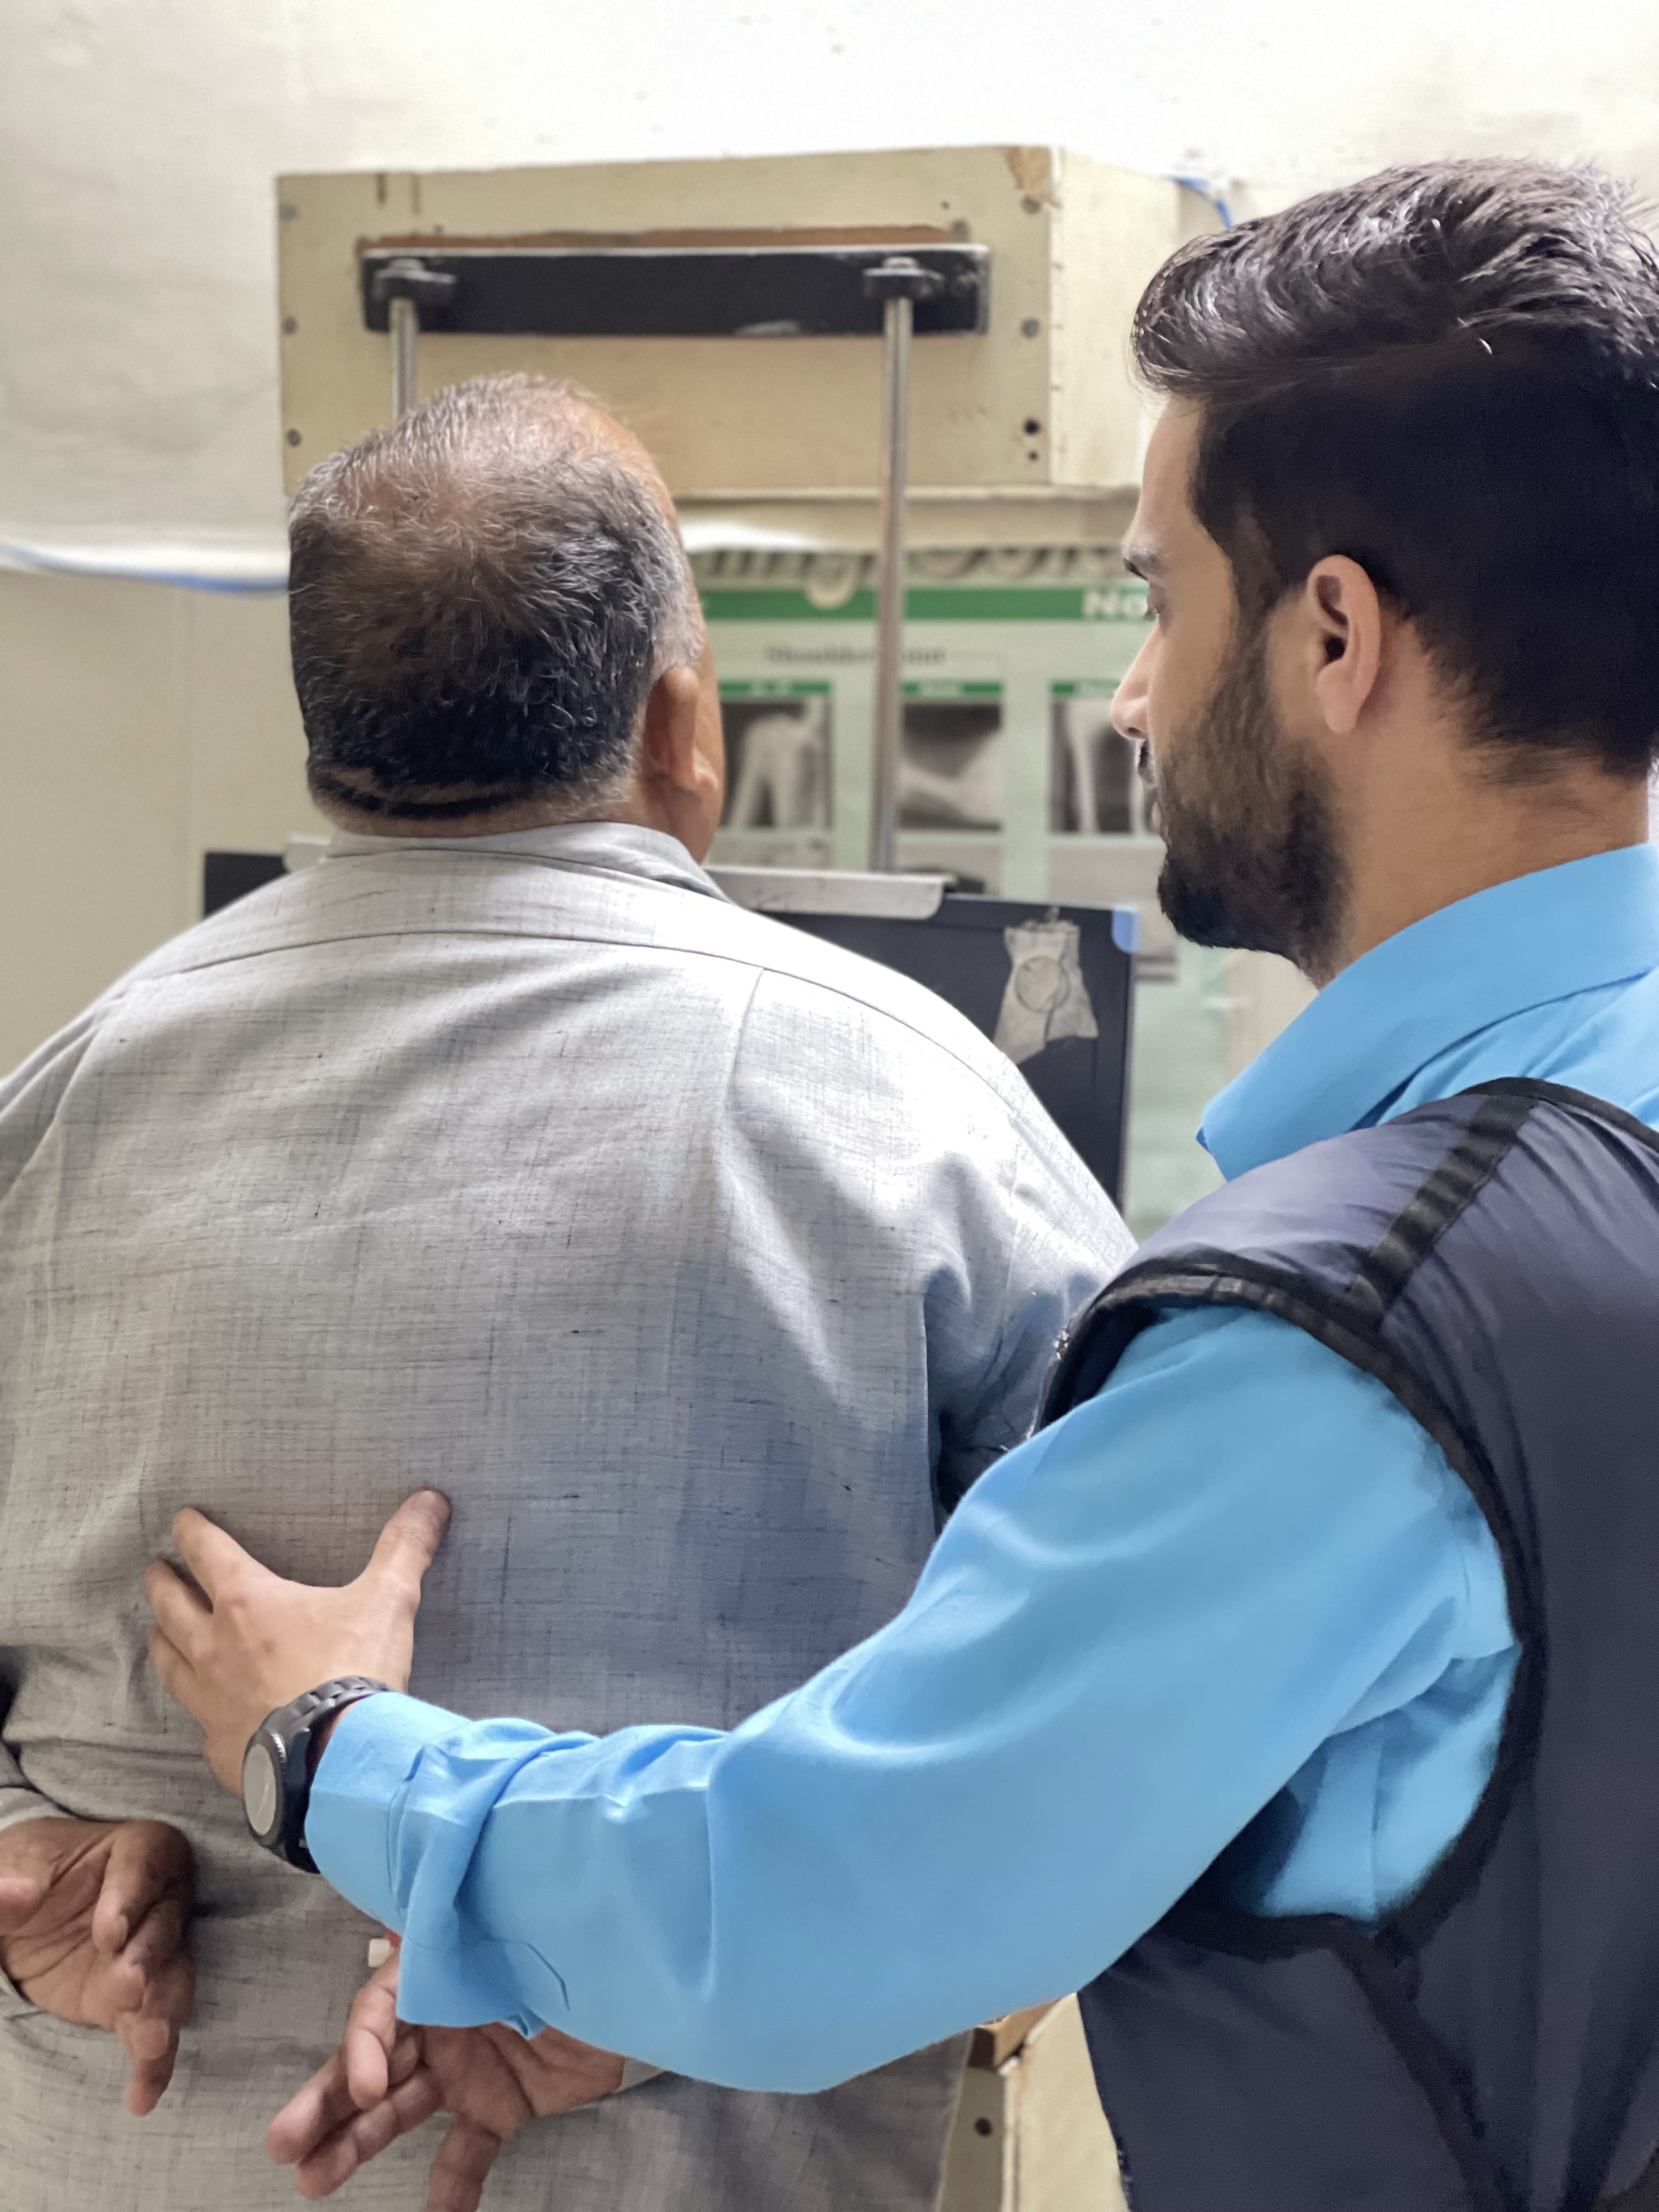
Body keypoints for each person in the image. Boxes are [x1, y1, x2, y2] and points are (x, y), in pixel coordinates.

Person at [148, 155, 1659, 2212]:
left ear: (1333, 636)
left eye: (1158, 600)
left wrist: (330, 1746)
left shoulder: (1349, 1351)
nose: (1132, 696)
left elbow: (812, 1890)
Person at [0, 373, 1129, 2211]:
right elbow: (1133, 1706)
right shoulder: (904, 1109)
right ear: (682, 720)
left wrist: (19, 1857)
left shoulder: (58, 1108)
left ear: (327, 731)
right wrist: (677, 1972)